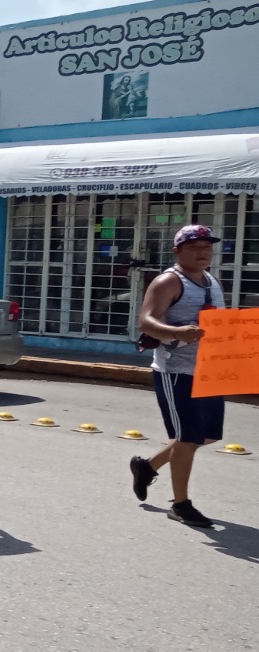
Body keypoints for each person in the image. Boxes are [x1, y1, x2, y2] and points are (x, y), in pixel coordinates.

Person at [131, 224, 227, 527]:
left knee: (208, 435)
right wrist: (177, 332)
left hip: (209, 370)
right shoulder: (168, 282)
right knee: (187, 438)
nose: (203, 253)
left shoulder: (210, 280)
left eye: (207, 247)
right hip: (176, 371)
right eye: (195, 247)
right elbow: (147, 322)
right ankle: (181, 504)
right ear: (177, 251)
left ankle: (148, 467)